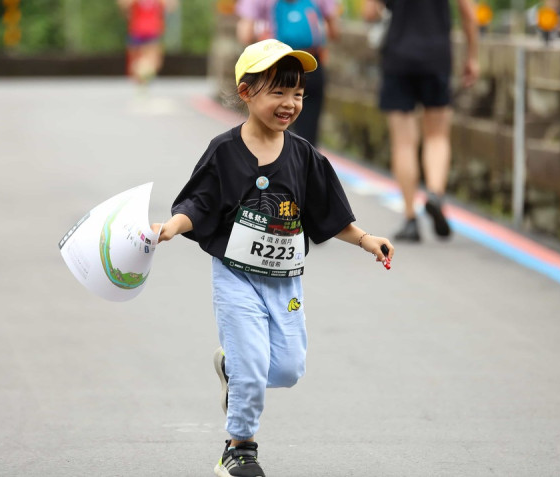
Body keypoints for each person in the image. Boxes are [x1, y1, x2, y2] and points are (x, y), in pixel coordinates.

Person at [149, 39, 394, 477]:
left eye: (298, 93)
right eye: (278, 92)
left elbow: (327, 211)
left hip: (285, 280)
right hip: (235, 276)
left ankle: (232, 366)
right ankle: (239, 446)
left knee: (286, 368)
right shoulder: (224, 151)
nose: (290, 103)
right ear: (246, 93)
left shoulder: (302, 156)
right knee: (252, 367)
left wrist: (365, 239)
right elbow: (199, 204)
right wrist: (169, 228)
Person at [363, 0, 478, 242]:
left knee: (404, 143)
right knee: (436, 136)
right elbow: (468, 12)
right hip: (436, 57)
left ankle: (410, 218)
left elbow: (369, 12)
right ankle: (435, 193)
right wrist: (472, 56)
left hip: (397, 57)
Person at [235, 0, 340, 147]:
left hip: (273, 67)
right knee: (307, 138)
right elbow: (334, 31)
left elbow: (245, 34)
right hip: (309, 64)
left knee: (271, 135)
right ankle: (304, 167)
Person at [116, 0, 176, 84]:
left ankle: (143, 79)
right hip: (139, 31)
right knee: (139, 62)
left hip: (149, 31)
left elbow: (171, 6)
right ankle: (141, 80)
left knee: (151, 62)